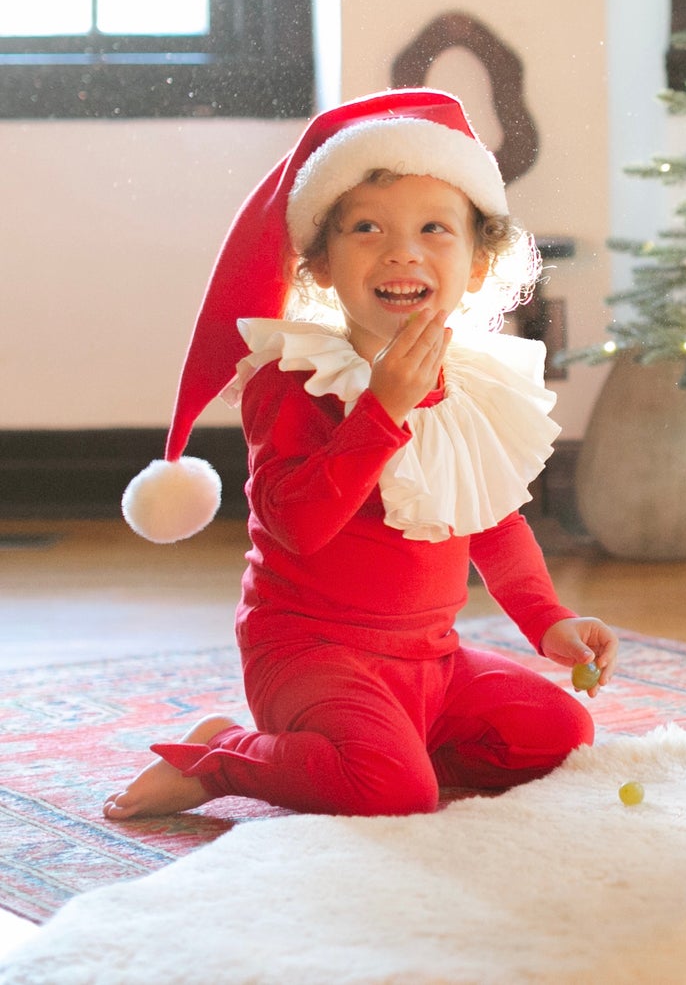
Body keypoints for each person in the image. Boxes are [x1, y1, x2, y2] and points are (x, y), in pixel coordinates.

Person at [103, 89, 617, 821]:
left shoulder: (467, 382)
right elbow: (297, 526)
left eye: (434, 228)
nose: (402, 250)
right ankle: (223, 757)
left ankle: (375, 748)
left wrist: (548, 621)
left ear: (475, 266)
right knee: (395, 792)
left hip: (431, 657)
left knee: (562, 732)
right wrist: (382, 408)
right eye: (367, 228)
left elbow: (493, 522)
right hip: (309, 653)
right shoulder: (293, 379)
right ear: (318, 266)